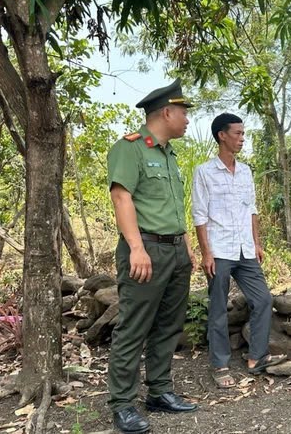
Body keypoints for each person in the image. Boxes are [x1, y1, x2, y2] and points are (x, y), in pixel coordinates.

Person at [107, 78, 198, 434]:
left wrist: (187, 249)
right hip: (146, 249)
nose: (187, 119)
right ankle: (122, 404)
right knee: (134, 326)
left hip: (175, 251)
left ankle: (159, 391)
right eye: (184, 112)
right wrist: (137, 248)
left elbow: (174, 208)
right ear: (166, 112)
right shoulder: (130, 148)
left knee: (168, 325)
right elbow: (121, 197)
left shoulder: (169, 155)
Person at [192, 113, 286, 389]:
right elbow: (199, 216)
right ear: (222, 135)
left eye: (243, 134)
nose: (242, 139)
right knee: (219, 307)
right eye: (238, 133)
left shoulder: (245, 171)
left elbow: (252, 210)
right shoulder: (204, 172)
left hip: (245, 248)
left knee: (264, 299)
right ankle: (220, 364)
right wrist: (206, 253)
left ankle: (257, 357)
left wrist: (257, 242)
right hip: (219, 249)